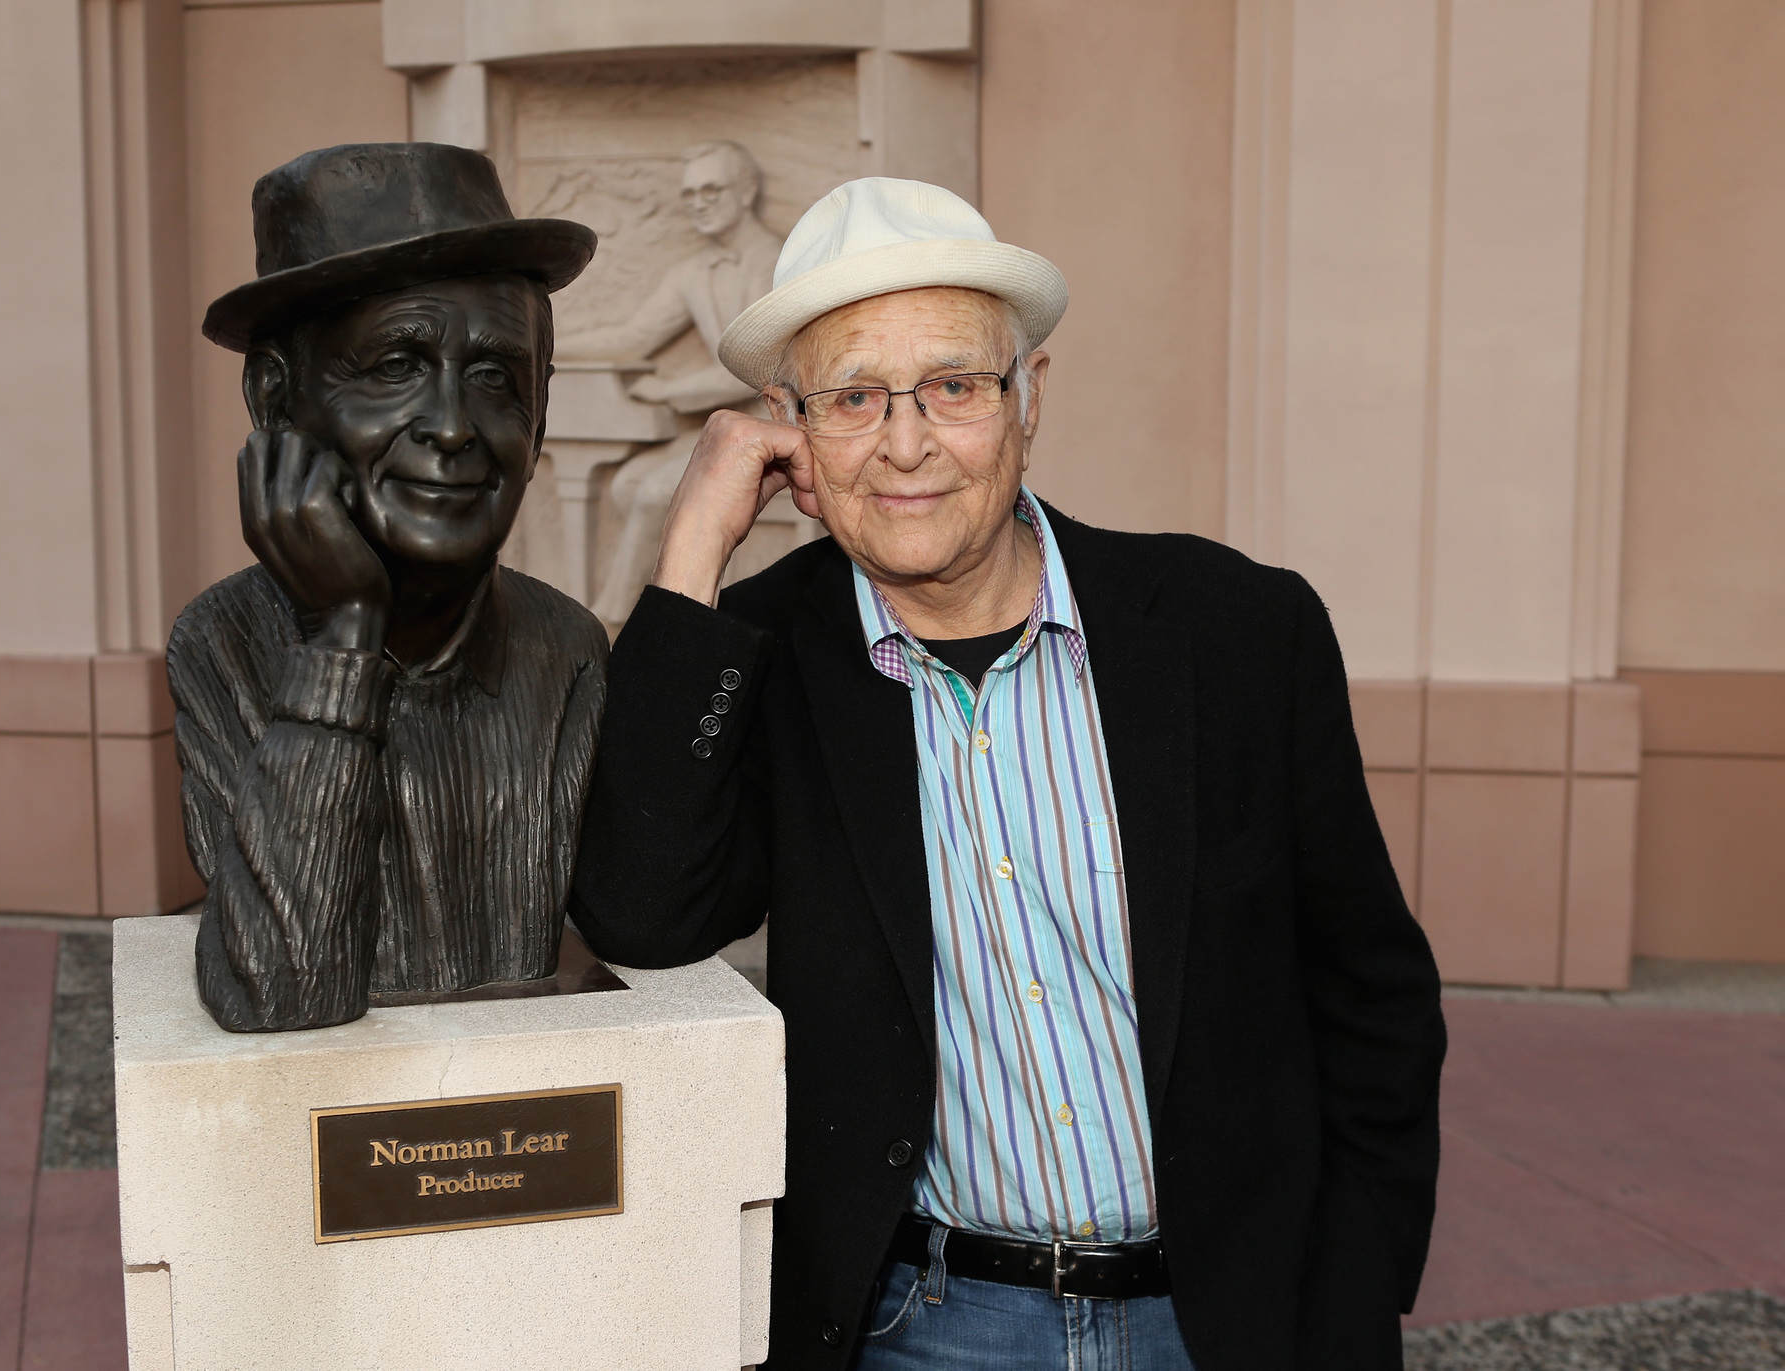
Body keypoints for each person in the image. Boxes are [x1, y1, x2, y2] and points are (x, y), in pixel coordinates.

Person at [569, 178, 1447, 1370]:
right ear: (794, 439)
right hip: (924, 1326)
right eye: (852, 398)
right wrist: (691, 556)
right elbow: (639, 911)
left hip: (1231, 1316)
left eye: (952, 386)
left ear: (1029, 396)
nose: (905, 442)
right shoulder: (769, 660)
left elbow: (1369, 992)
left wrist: (1356, 1286)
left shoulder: (1237, 629)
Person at [170, 144, 608, 1032]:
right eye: (396, 365)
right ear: (276, 399)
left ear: (542, 407)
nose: (452, 426)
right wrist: (342, 638)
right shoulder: (219, 646)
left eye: (494, 377)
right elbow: (281, 993)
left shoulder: (568, 653)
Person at [552, 140, 786, 625]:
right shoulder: (692, 273)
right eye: (690, 193)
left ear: (746, 193)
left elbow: (765, 363)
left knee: (660, 488)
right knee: (628, 483)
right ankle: (680, 605)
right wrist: (544, 332)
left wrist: (670, 392)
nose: (698, 201)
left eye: (711, 189)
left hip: (773, 421)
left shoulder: (776, 262)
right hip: (725, 423)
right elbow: (634, 335)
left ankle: (612, 621)